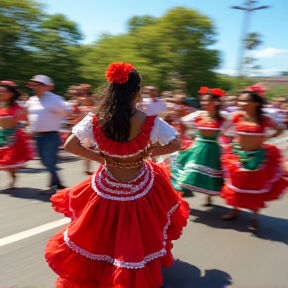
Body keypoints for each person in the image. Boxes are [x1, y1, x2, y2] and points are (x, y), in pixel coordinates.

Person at [45, 62, 189, 288]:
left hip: (107, 182)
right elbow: (176, 143)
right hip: (141, 182)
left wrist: (103, 159)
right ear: (137, 92)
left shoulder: (95, 119)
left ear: (111, 90)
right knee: (140, 230)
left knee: (102, 230)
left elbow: (71, 146)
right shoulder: (149, 121)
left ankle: (104, 270)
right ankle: (130, 269)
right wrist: (150, 151)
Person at [221, 87, 287, 231]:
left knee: (256, 187)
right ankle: (235, 210)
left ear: (256, 103)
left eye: (245, 100)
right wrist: (234, 139)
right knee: (238, 185)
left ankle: (254, 216)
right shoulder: (237, 116)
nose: (241, 103)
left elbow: (280, 127)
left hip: (259, 157)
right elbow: (223, 129)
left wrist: (269, 137)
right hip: (238, 156)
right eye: (240, 100)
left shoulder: (264, 119)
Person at [169, 87, 227, 205]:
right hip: (197, 147)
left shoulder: (223, 118)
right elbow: (183, 123)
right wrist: (183, 138)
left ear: (216, 103)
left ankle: (209, 197)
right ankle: (178, 199)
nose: (203, 103)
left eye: (207, 101)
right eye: (203, 101)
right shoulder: (198, 114)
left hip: (213, 150)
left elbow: (230, 132)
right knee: (186, 171)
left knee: (212, 175)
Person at [25, 75, 70, 194]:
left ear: (48, 87)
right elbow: (28, 114)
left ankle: (53, 186)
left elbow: (67, 112)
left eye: (40, 84)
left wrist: (61, 119)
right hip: (37, 135)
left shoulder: (55, 99)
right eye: (35, 84)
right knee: (45, 161)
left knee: (49, 161)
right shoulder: (32, 100)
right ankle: (59, 184)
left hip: (50, 135)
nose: (36, 86)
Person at [0, 80, 33, 188]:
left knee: (9, 163)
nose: (0, 94)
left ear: (11, 94)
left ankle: (13, 178)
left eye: (2, 92)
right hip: (1, 134)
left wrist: (18, 132)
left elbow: (25, 122)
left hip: (12, 136)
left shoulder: (18, 108)